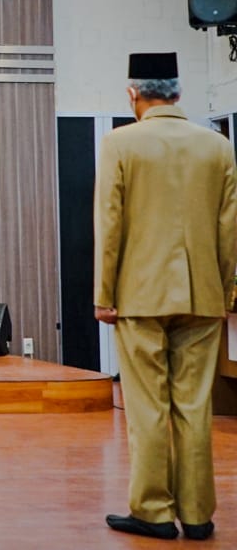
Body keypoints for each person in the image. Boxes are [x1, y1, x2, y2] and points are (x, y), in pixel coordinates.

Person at [95, 52, 236, 542]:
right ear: (178, 92)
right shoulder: (217, 146)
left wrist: (104, 294)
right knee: (194, 406)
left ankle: (154, 511)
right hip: (203, 296)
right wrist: (223, 291)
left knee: (148, 407)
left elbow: (110, 224)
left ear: (132, 94)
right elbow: (228, 228)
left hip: (139, 296)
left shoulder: (119, 143)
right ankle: (197, 515)